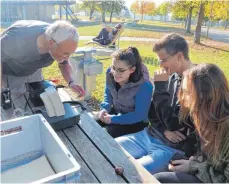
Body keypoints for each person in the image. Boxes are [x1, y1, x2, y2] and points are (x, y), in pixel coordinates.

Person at [115, 33, 198, 174]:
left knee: (132, 172)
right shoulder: (170, 76)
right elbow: (152, 112)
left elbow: (175, 123)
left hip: (171, 148)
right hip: (148, 135)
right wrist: (164, 130)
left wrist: (159, 89)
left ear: (179, 56)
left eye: (163, 60)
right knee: (107, 147)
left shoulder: (197, 82)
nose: (160, 65)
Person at [154, 63, 229, 183]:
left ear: (204, 95)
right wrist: (197, 160)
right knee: (172, 162)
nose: (181, 98)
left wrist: (194, 167)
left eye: (187, 92)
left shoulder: (225, 128)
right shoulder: (202, 116)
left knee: (160, 179)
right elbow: (171, 123)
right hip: (206, 170)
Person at [1, 20, 85, 108]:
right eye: (65, 53)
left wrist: (71, 82)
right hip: (10, 71)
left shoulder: (59, 38)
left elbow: (64, 64)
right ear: (51, 43)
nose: (67, 58)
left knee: (38, 101)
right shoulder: (17, 38)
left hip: (34, 69)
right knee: (15, 108)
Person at [95, 46, 153, 138]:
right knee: (91, 123)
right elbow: (108, 91)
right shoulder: (110, 73)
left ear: (132, 70)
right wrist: (105, 108)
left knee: (104, 135)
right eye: (114, 68)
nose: (116, 73)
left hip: (135, 122)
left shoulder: (144, 86)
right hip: (116, 113)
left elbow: (139, 115)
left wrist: (113, 119)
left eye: (121, 70)